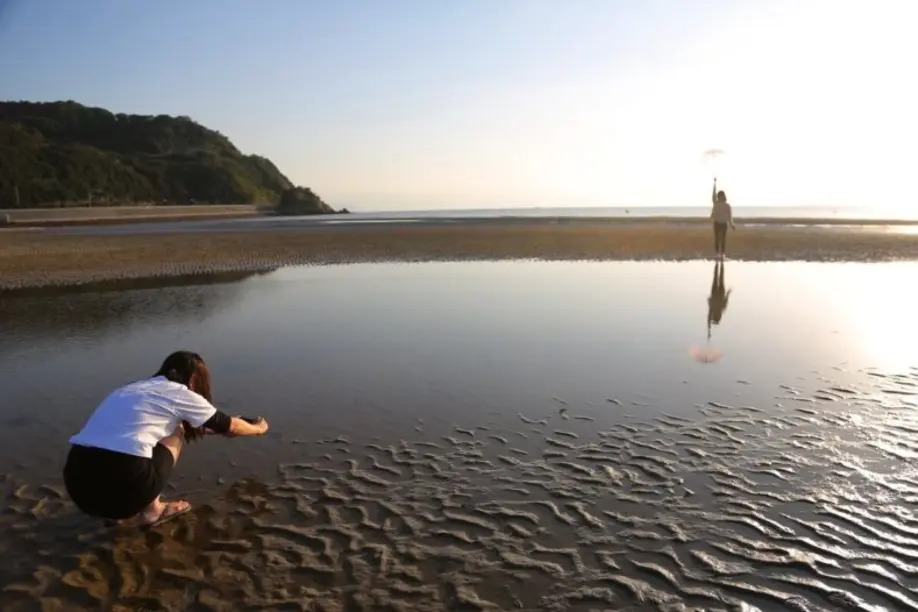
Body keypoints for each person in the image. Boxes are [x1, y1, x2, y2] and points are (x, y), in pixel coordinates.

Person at [63, 351, 269, 526]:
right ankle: (152, 511)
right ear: (190, 378)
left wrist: (218, 427)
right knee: (177, 429)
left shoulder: (130, 389)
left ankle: (116, 512)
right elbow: (231, 426)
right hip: (127, 489)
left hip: (80, 489)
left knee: (139, 439)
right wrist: (258, 428)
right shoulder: (179, 393)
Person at [710, 178, 736, 259]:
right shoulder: (716, 203)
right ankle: (717, 253)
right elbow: (713, 195)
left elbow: (730, 216)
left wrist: (732, 225)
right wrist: (715, 184)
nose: (721, 197)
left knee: (723, 239)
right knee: (717, 238)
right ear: (718, 197)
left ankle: (723, 254)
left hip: (724, 224)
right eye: (720, 196)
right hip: (717, 223)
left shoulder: (727, 206)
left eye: (723, 195)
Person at [707, 260, 731, 338]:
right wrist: (709, 330)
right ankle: (718, 263)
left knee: (720, 278)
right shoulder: (715, 310)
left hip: (718, 294)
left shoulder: (720, 309)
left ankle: (720, 263)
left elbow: (726, 299)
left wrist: (728, 293)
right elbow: (708, 318)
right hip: (716, 294)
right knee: (716, 278)